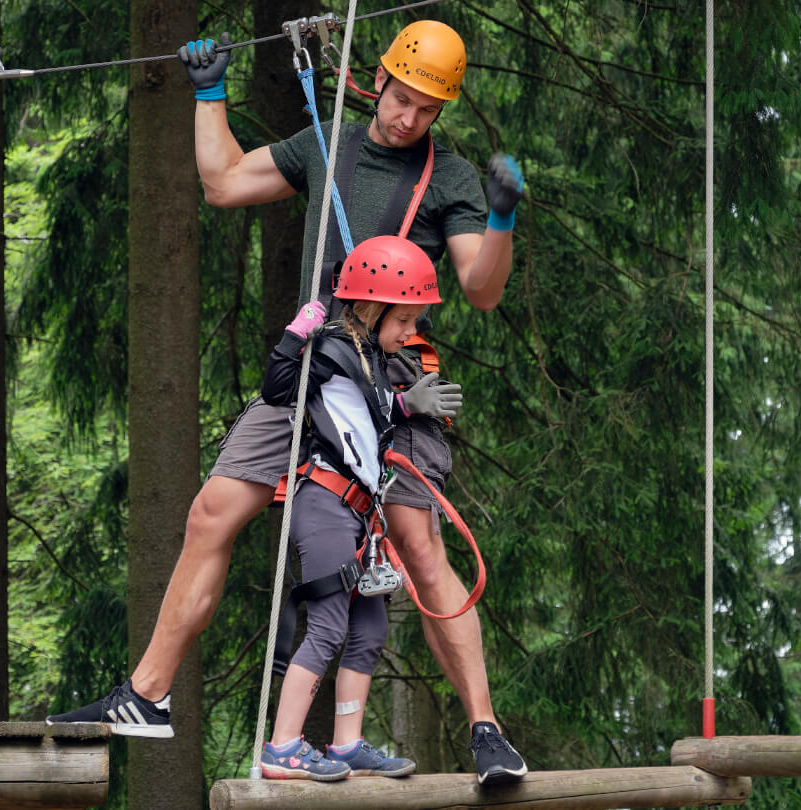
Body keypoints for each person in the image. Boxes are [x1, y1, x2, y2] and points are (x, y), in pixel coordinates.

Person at [48, 19, 530, 785]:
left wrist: (499, 217)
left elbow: (482, 288)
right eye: (402, 99)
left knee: (418, 545)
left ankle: (486, 729)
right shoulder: (327, 141)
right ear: (381, 79)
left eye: (426, 109)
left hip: (388, 385)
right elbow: (224, 183)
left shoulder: (450, 179)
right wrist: (210, 96)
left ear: (442, 112)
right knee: (210, 513)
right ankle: (146, 695)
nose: (407, 118)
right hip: (312, 369)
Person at [256, 235, 436, 780]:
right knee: (329, 626)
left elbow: (363, 417)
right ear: (372, 307)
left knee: (370, 628)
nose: (411, 332)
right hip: (325, 502)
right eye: (404, 320)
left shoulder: (370, 358)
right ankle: (283, 745)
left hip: (355, 511)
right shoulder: (331, 346)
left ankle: (346, 742)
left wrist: (404, 404)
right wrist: (294, 336)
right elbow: (278, 390)